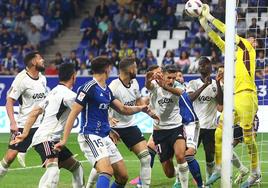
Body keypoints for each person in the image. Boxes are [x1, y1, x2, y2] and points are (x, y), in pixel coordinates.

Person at [54, 57, 157, 188]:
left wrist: (142, 109)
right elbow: (73, 114)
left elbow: (123, 109)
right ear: (107, 69)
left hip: (105, 136)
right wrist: (64, 140)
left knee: (122, 177)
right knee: (106, 171)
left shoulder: (107, 90)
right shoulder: (88, 88)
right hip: (90, 135)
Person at [199, 5, 260, 187]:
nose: (248, 39)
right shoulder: (232, 53)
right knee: (219, 133)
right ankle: (219, 169)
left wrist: (209, 17)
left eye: (251, 39)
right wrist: (204, 24)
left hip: (247, 96)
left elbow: (226, 31)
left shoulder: (247, 48)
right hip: (233, 98)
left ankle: (255, 172)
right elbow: (217, 39)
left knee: (248, 138)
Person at [12, 63, 85, 188]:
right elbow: (85, 111)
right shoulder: (69, 96)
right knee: (53, 172)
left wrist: (25, 133)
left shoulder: (52, 92)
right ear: (73, 77)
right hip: (47, 138)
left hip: (50, 138)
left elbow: (34, 112)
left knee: (76, 167)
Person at [87, 58, 153, 188]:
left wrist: (149, 110)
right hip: (113, 127)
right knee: (103, 162)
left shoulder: (134, 83)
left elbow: (138, 102)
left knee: (146, 157)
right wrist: (108, 119)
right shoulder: (113, 86)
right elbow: (102, 105)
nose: (137, 69)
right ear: (130, 70)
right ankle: (89, 186)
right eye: (135, 67)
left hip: (129, 125)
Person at [0, 51, 47, 179]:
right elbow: (9, 101)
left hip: (41, 126)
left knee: (50, 159)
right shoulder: (21, 80)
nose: (43, 60)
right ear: (33, 62)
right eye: (40, 58)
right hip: (23, 124)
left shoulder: (43, 78)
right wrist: (13, 122)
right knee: (10, 157)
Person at [146, 64, 189, 188]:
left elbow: (181, 93)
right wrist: (147, 79)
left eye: (173, 78)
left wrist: (165, 85)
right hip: (159, 132)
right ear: (163, 75)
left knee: (181, 156)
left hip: (176, 127)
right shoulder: (154, 86)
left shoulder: (178, 85)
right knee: (169, 173)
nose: (172, 80)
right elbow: (148, 86)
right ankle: (178, 175)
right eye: (169, 77)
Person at [186, 56, 223, 185]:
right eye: (201, 65)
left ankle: (208, 182)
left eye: (205, 64)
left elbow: (221, 103)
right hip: (195, 126)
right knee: (188, 155)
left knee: (209, 157)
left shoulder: (216, 84)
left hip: (210, 127)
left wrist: (217, 83)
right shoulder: (193, 83)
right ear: (198, 68)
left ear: (210, 67)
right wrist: (204, 86)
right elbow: (190, 98)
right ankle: (180, 181)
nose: (203, 67)